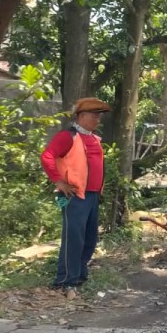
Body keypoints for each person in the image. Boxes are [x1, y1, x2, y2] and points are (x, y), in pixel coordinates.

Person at [39, 97, 111, 297]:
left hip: (92, 196)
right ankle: (65, 280)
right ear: (81, 116)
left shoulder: (94, 138)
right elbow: (47, 156)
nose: (98, 120)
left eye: (99, 116)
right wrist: (58, 181)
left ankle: (79, 274)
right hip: (75, 196)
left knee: (90, 238)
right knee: (74, 238)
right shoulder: (67, 136)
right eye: (94, 116)